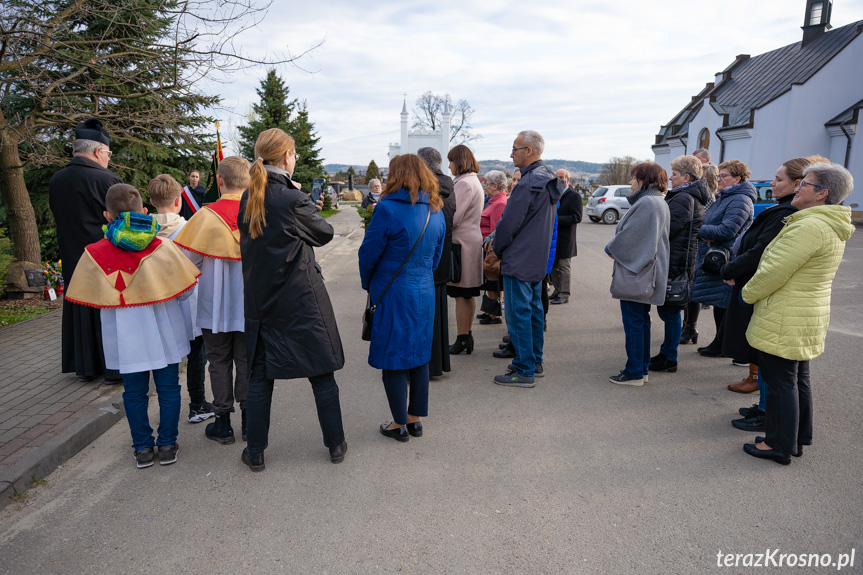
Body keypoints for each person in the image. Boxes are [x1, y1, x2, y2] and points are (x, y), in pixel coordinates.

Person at [64, 184, 200, 468]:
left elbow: (90, 298)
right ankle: (167, 445)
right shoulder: (163, 247)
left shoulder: (93, 252)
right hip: (164, 329)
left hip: (124, 336)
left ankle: (142, 449)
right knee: (169, 388)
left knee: (134, 392)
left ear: (106, 215)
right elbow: (186, 290)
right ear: (144, 211)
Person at [237, 128, 347, 472]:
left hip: (262, 300)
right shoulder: (291, 199)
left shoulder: (249, 197)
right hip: (301, 300)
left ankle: (255, 451)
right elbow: (324, 232)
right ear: (286, 157)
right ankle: (335, 444)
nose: (295, 159)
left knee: (259, 378)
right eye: (294, 154)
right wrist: (301, 202)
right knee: (322, 374)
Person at [741, 162, 855, 465]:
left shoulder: (808, 226)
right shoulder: (824, 224)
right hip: (802, 313)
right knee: (795, 379)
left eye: (805, 183)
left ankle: (778, 444)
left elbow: (772, 271)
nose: (798, 186)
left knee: (780, 382)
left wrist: (747, 294)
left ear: (822, 194)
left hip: (786, 314)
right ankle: (795, 437)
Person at [358, 155, 446, 442]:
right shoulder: (436, 210)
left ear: (396, 175)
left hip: (393, 291)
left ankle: (399, 424)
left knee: (393, 356)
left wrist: (368, 284)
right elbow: (436, 257)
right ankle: (415, 418)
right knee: (419, 354)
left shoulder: (386, 209)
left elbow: (367, 255)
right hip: (423, 290)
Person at [721, 158, 816, 422]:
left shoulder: (788, 216)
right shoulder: (782, 211)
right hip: (756, 285)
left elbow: (760, 253)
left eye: (779, 179)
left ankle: (769, 415)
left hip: (765, 292)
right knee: (763, 354)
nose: (772, 183)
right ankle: (764, 407)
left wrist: (730, 270)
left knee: (773, 362)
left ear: (798, 184)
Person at [174, 156, 250, 444]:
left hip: (213, 306)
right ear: (250, 182)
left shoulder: (205, 216)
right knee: (246, 361)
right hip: (248, 305)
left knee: (218, 361)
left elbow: (186, 262)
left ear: (219, 181)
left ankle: (223, 424)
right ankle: (249, 420)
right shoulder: (258, 214)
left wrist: (181, 296)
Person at [49, 118, 123, 383]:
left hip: (72, 256)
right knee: (106, 312)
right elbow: (124, 222)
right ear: (96, 151)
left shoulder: (57, 179)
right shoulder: (107, 179)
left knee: (80, 306)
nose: (108, 159)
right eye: (108, 154)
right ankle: (112, 366)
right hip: (104, 258)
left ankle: (85, 367)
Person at [491, 130, 563, 387]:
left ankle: (524, 370)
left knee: (518, 313)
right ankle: (534, 361)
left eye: (515, 149)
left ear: (529, 151)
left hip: (520, 258)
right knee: (533, 311)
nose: (511, 154)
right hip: (536, 258)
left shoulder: (530, 182)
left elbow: (509, 223)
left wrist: (497, 249)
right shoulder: (548, 180)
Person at [148, 174, 214, 425]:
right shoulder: (191, 230)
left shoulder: (144, 233)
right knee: (197, 356)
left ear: (152, 202)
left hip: (159, 304)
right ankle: (196, 404)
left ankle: (168, 411)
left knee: (169, 359)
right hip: (191, 302)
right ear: (179, 201)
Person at [605, 162, 670, 386]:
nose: (631, 183)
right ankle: (640, 369)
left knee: (634, 321)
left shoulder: (648, 202)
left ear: (644, 180)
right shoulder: (656, 201)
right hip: (646, 271)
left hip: (638, 272)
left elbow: (632, 236)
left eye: (634, 178)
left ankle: (634, 372)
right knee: (641, 321)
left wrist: (611, 248)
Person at [649, 156, 709, 373]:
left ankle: (670, 358)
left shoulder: (684, 198)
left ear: (687, 176)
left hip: (676, 262)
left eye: (674, 173)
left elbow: (666, 229)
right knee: (669, 311)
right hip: (678, 259)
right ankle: (667, 352)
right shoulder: (686, 196)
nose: (671, 177)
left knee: (671, 312)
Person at [689, 159, 756, 356]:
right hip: (714, 256)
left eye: (724, 176)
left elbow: (728, 230)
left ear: (738, 178)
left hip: (725, 257)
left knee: (724, 304)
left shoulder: (740, 199)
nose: (719, 179)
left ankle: (722, 345)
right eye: (719, 176)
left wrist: (698, 230)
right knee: (719, 303)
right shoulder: (725, 196)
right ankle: (720, 343)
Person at [417, 147, 457, 378]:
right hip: (442, 254)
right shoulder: (449, 185)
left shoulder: (426, 187)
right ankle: (438, 363)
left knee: (424, 314)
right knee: (439, 314)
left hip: (425, 259)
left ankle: (425, 365)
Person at [446, 145, 484, 355]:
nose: (449, 165)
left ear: (459, 161)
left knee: (462, 294)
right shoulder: (472, 180)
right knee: (467, 294)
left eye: (451, 161)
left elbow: (454, 216)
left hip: (463, 244)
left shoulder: (464, 184)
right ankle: (466, 336)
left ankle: (462, 338)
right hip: (469, 242)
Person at [680, 162, 719, 344]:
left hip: (697, 245)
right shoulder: (709, 197)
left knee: (692, 289)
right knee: (691, 289)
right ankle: (688, 326)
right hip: (697, 244)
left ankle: (690, 327)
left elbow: (702, 221)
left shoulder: (708, 198)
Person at [477, 170, 508, 324]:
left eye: (487, 184)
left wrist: (488, 249)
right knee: (489, 282)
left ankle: (495, 315)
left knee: (493, 282)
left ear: (495, 186)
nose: (485, 187)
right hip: (485, 247)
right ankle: (490, 311)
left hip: (490, 249)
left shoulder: (499, 203)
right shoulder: (493, 201)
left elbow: (496, 230)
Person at [550, 169, 583, 305]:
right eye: (557, 177)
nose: (559, 180)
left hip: (565, 238)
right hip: (552, 239)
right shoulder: (553, 195)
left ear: (568, 180)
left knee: (564, 268)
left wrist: (556, 219)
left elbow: (577, 217)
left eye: (562, 177)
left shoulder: (574, 196)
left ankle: (564, 294)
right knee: (553, 267)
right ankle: (557, 291)